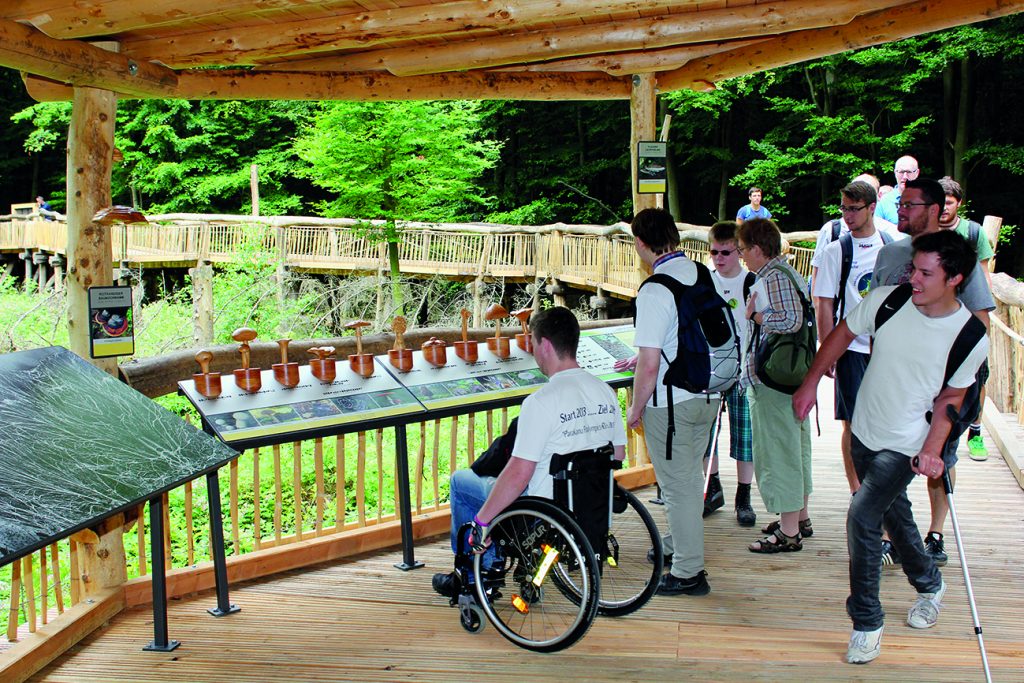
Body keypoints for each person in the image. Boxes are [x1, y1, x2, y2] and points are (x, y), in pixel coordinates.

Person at [793, 230, 989, 665]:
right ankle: (930, 582)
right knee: (893, 511)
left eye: (925, 273)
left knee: (863, 514)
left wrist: (934, 447)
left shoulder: (971, 336)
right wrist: (810, 383)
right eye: (913, 269)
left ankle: (867, 621)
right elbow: (842, 334)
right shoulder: (889, 299)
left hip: (906, 442)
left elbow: (951, 400)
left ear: (954, 278)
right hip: (865, 429)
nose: (913, 279)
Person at [432, 306, 627, 597]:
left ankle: (479, 574)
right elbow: (618, 455)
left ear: (545, 345)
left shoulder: (540, 403)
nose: (533, 351)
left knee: (462, 482)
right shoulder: (604, 391)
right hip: (589, 503)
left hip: (544, 509)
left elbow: (518, 474)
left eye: (533, 343)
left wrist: (483, 521)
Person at [872, 177, 995, 568]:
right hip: (895, 383)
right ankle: (891, 535)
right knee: (891, 459)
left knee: (940, 458)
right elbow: (875, 320)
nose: (900, 211)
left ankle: (936, 533)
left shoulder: (959, 256)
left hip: (943, 383)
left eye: (908, 204)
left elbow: (978, 319)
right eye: (900, 204)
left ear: (933, 209)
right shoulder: (889, 256)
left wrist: (961, 380)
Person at [618, 207, 721, 596]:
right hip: (706, 394)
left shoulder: (655, 288)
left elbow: (648, 366)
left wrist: (635, 408)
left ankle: (688, 571)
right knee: (688, 480)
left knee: (677, 486)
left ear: (641, 243)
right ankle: (679, 545)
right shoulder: (699, 273)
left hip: (672, 403)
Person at [736, 218, 812, 553]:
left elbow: (792, 319)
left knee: (777, 451)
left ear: (756, 248)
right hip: (793, 376)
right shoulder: (791, 273)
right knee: (795, 448)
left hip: (774, 378)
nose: (742, 258)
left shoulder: (772, 276)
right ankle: (798, 517)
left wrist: (757, 317)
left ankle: (788, 532)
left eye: (742, 251)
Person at [812, 181, 890, 496]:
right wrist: (827, 351)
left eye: (854, 209)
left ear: (871, 207)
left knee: (884, 423)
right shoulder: (836, 250)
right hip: (851, 349)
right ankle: (858, 491)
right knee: (853, 424)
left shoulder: (892, 243)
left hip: (887, 349)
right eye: (844, 208)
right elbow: (824, 303)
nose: (847, 215)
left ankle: (882, 490)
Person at [703, 220, 757, 526]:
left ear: (738, 251)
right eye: (714, 252)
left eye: (725, 252)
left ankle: (744, 497)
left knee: (744, 436)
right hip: (711, 367)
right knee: (706, 433)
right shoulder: (705, 283)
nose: (719, 258)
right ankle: (712, 489)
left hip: (743, 368)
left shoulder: (751, 282)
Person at [938, 175, 994, 464]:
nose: (944, 208)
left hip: (969, 317)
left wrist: (981, 317)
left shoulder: (973, 233)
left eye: (949, 202)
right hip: (938, 319)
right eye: (941, 202)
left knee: (977, 375)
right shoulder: (928, 232)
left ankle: (975, 431)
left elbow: (984, 275)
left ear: (958, 203)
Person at [809, 174, 899, 287]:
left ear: (876, 199)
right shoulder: (832, 231)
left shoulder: (889, 233)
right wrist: (817, 304)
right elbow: (818, 275)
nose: (848, 215)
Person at [874, 155, 920, 225]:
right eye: (901, 172)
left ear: (917, 173)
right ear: (895, 173)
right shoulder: (884, 202)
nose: (905, 177)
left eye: (909, 172)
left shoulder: (928, 199)